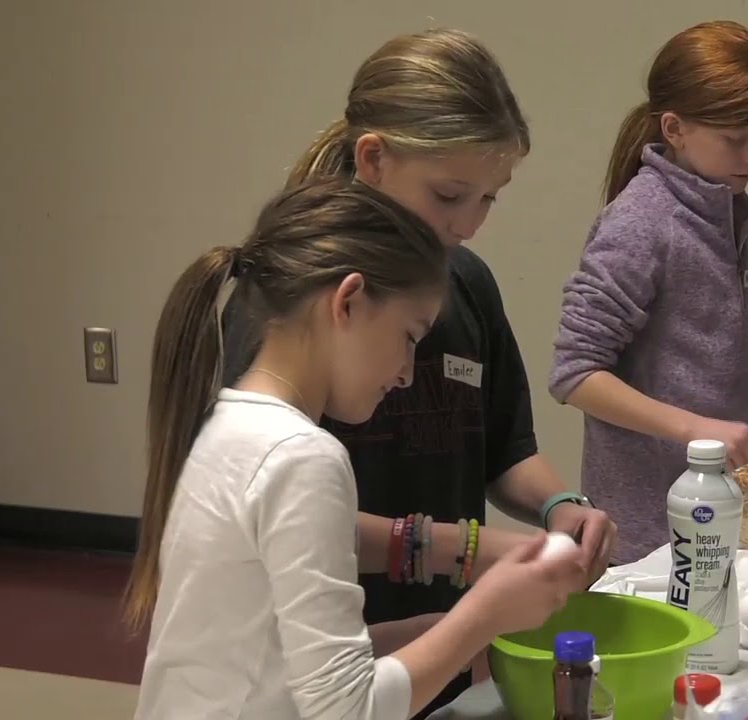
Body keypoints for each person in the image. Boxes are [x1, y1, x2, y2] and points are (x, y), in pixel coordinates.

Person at [221, 29, 617, 713]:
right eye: (449, 196)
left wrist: (561, 509)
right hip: (339, 656)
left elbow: (505, 445)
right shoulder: (285, 315)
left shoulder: (467, 284)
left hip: (425, 648)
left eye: (490, 199)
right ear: (373, 159)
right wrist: (466, 558)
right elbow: (290, 524)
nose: (469, 226)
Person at [127, 178, 586, 720]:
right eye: (410, 338)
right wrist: (483, 616)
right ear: (347, 302)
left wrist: (445, 632)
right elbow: (348, 710)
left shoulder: (225, 425)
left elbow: (282, 667)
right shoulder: (301, 457)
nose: (408, 373)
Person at [549, 21, 748, 564]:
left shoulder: (737, 223)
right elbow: (575, 375)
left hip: (717, 522)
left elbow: (727, 362)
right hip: (648, 533)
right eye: (735, 139)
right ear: (674, 128)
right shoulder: (641, 222)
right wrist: (698, 430)